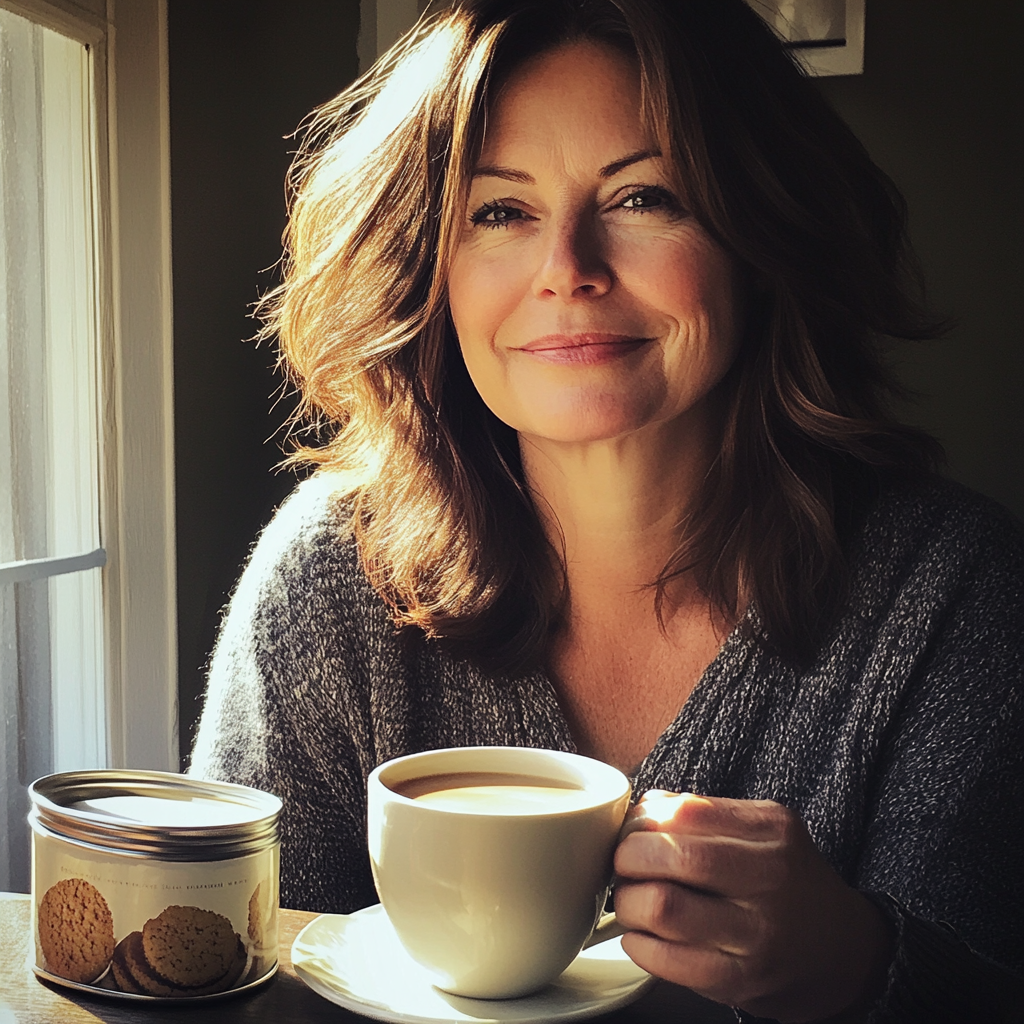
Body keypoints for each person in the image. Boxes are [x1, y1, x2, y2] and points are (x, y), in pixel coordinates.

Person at [189, 1, 1024, 1020]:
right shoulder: (326, 578)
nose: (568, 268)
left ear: (760, 236)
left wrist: (860, 965)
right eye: (500, 211)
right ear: (429, 269)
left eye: (643, 196)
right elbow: (235, 977)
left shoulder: (955, 597)